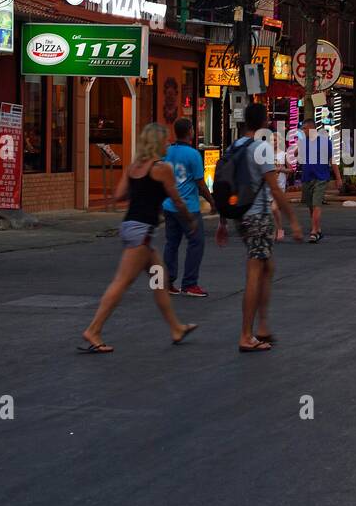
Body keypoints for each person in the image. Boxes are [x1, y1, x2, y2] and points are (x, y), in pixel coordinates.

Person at [80, 123, 199, 353]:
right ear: (156, 142)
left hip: (132, 226)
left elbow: (119, 195)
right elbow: (176, 199)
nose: (168, 144)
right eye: (165, 140)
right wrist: (190, 220)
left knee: (159, 278)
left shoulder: (134, 167)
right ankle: (93, 330)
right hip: (141, 233)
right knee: (121, 282)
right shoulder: (161, 168)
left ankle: (176, 327)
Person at [216, 104, 304, 352]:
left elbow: (225, 185)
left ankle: (263, 325)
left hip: (240, 216)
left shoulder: (234, 147)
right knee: (255, 271)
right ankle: (246, 334)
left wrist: (223, 221)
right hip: (258, 217)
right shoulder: (261, 148)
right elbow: (275, 188)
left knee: (267, 266)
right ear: (264, 121)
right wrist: (293, 221)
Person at [162, 118, 215, 298]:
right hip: (188, 207)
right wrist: (212, 201)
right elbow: (201, 183)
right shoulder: (193, 155)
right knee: (196, 242)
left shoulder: (167, 152)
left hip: (169, 204)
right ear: (190, 131)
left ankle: (168, 281)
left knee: (172, 243)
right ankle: (190, 283)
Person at [297, 117, 341, 243]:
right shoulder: (303, 141)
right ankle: (318, 229)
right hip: (307, 177)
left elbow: (332, 160)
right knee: (311, 205)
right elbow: (296, 153)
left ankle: (314, 231)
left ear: (311, 128)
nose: (302, 131)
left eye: (304, 128)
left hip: (321, 177)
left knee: (316, 204)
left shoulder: (324, 141)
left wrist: (338, 178)